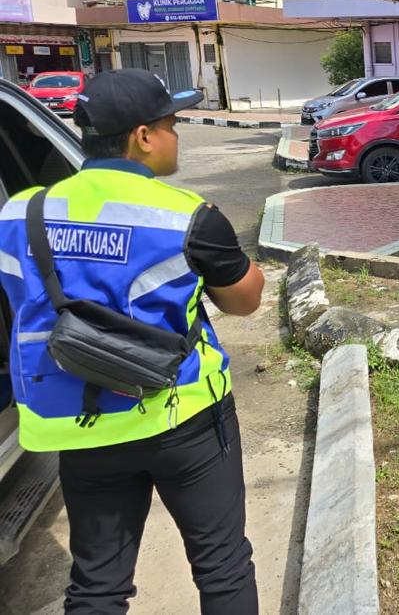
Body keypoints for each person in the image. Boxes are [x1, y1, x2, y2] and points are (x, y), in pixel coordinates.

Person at [0, 69, 265, 614]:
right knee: (222, 566)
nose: (177, 135)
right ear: (143, 136)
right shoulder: (187, 216)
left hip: (79, 425)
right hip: (182, 417)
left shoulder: (19, 212)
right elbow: (245, 301)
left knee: (97, 586)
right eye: (171, 125)